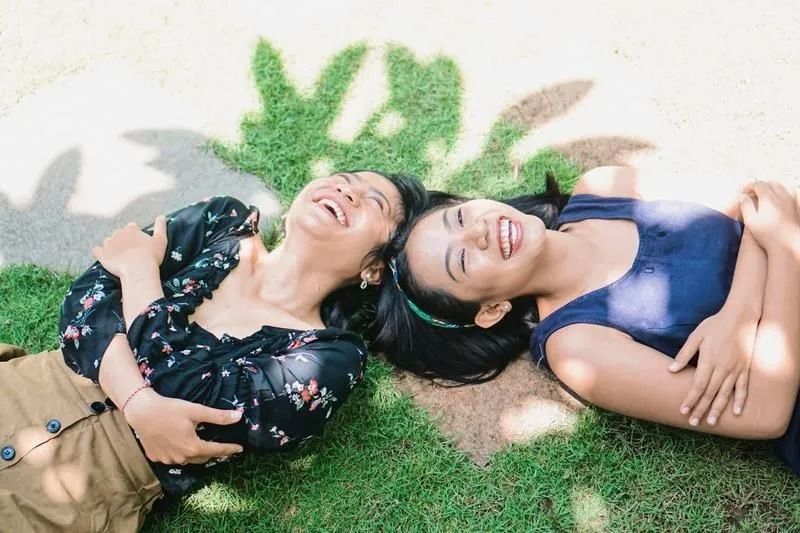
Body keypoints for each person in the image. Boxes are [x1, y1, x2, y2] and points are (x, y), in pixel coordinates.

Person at [0, 170, 427, 531]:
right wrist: (142, 406)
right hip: (21, 390)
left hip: (76, 497)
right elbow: (85, 308)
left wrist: (138, 269)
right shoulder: (223, 222)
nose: (346, 190)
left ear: (374, 269)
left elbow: (181, 388)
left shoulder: (329, 358)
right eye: (344, 179)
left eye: (375, 202)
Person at [373, 166, 800, 477]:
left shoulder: (604, 186)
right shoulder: (576, 347)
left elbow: (761, 198)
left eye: (460, 217)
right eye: (463, 259)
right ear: (491, 310)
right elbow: (766, 411)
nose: (479, 231)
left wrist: (740, 313)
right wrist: (778, 244)